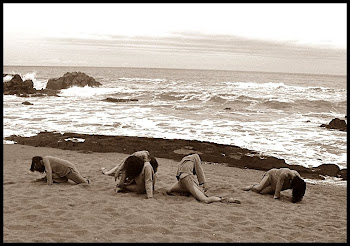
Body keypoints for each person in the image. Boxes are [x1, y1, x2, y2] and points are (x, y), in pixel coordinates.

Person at [166, 153, 240, 204]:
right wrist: (204, 183)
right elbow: (199, 171)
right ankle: (191, 192)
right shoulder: (195, 157)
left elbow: (197, 171)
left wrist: (203, 183)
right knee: (169, 191)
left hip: (184, 179)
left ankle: (224, 199)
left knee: (204, 199)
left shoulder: (187, 160)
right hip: (185, 179)